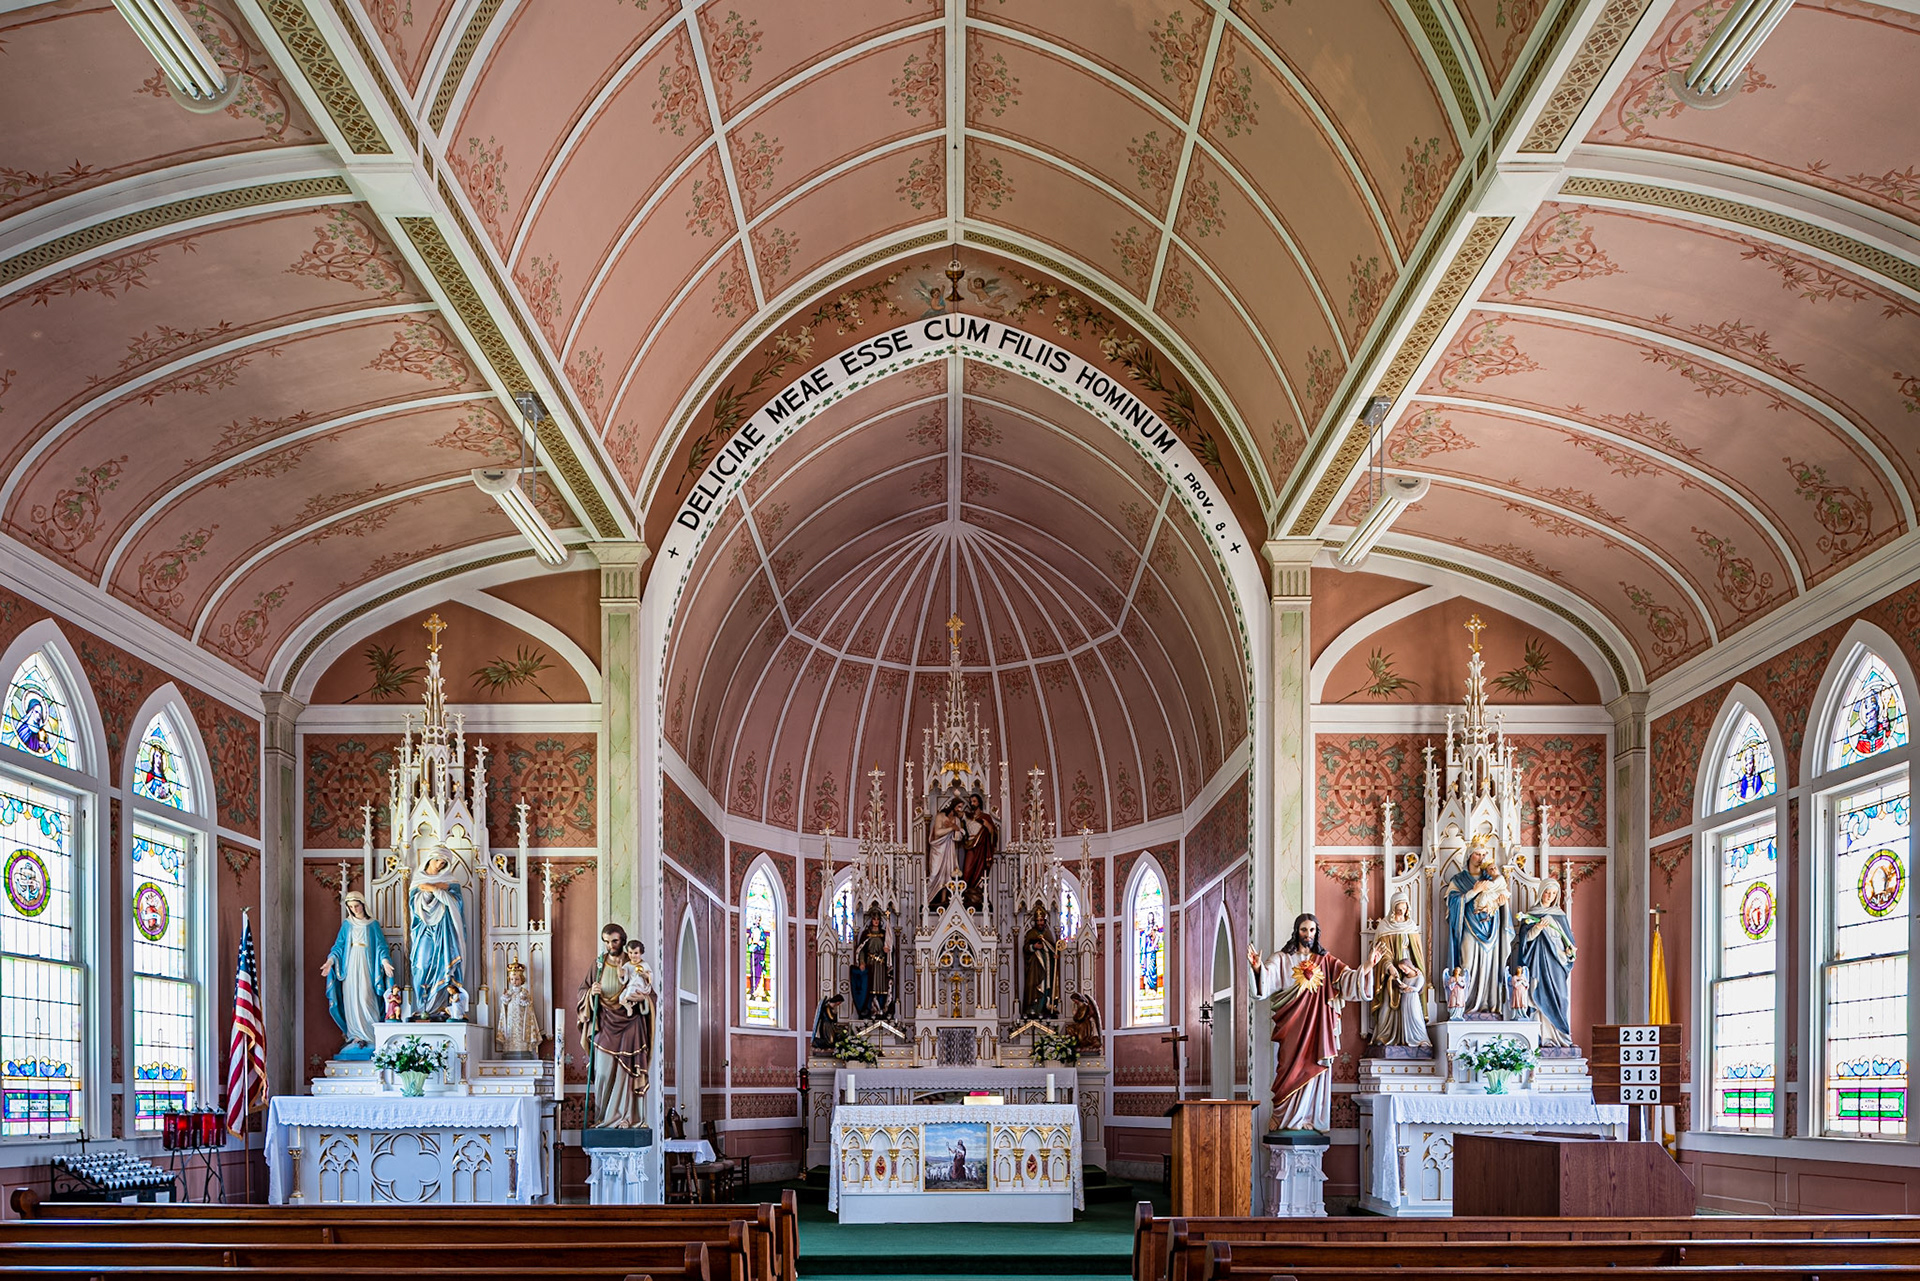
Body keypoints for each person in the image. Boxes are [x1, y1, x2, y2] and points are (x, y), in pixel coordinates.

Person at [1250, 913, 1380, 1131]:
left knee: (1314, 1065)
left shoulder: (1326, 961)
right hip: (1292, 1027)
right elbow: (1267, 977)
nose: (1307, 934)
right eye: (1303, 930)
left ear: (1316, 933)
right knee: (1288, 1069)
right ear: (1296, 931)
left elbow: (1347, 978)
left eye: (1311, 930)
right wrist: (1257, 968)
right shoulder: (1283, 958)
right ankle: (1284, 1118)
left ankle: (1308, 1117)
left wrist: (1367, 965)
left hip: (1318, 1028)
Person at [576, 923, 650, 1128]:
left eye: (614, 941)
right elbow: (582, 991)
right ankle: (603, 1118)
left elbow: (650, 993)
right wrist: (591, 993)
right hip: (605, 1022)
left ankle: (624, 1118)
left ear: (623, 940)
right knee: (602, 1072)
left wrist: (642, 999)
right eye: (606, 942)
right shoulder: (598, 964)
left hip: (629, 1024)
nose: (610, 945)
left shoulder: (635, 964)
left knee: (625, 1073)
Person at [1443, 836, 1512, 1018]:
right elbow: (1452, 903)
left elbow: (1502, 895)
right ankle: (1465, 1006)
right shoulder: (1458, 880)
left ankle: (1489, 1005)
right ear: (1469, 856)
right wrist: (1474, 891)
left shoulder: (1492, 878)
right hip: (1469, 927)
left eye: (1484, 854)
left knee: (1489, 967)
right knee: (1467, 963)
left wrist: (1502, 902)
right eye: (1477, 854)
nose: (1481, 858)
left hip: (1491, 929)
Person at [321, 891, 394, 1049]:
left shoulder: (372, 924)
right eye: (351, 907)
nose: (354, 909)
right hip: (350, 964)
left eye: (357, 906)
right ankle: (355, 1035)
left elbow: (381, 947)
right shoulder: (347, 924)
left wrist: (385, 962)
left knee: (366, 996)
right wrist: (330, 961)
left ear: (363, 905)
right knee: (352, 998)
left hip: (367, 965)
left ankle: (371, 1036)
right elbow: (339, 947)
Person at [1510, 877, 1576, 1046]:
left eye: (1553, 893)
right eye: (1547, 892)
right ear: (1541, 893)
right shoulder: (1531, 915)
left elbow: (1568, 941)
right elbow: (1524, 942)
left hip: (1557, 964)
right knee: (1538, 996)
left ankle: (1561, 1037)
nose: (1549, 896)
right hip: (1538, 962)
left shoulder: (1560, 916)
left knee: (1561, 997)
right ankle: (1541, 1037)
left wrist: (1569, 951)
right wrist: (1537, 929)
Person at [408, 848, 466, 1019]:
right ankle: (422, 1006)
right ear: (429, 859)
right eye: (437, 861)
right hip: (423, 930)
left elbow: (457, 904)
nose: (440, 865)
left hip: (444, 930)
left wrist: (435, 890)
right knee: (422, 964)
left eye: (443, 863)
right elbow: (413, 905)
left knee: (443, 965)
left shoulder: (450, 881)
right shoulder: (417, 880)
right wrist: (434, 891)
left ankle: (440, 1006)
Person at [1368, 894, 1428, 1049]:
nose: (1401, 912)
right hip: (1392, 972)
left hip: (1409, 971)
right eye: (1398, 909)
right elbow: (1381, 953)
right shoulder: (1384, 926)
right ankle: (1384, 1035)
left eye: (1404, 908)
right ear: (1393, 908)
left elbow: (1418, 954)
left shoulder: (1411, 926)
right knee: (1389, 1003)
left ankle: (1419, 1037)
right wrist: (1389, 966)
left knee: (1412, 1006)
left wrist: (1413, 970)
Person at [849, 904, 892, 1018]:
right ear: (871, 920)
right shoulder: (866, 933)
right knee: (870, 987)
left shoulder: (884, 934)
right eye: (874, 919)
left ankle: (882, 1010)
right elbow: (861, 949)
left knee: (882, 987)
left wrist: (888, 950)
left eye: (878, 919)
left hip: (881, 965)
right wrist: (862, 962)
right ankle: (870, 1010)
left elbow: (891, 950)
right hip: (870, 965)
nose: (876, 921)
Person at [959, 791, 999, 911]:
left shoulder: (985, 817)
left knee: (980, 871)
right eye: (971, 801)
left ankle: (976, 893)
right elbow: (957, 814)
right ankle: (965, 893)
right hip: (970, 847)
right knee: (967, 870)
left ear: (979, 803)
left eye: (974, 801)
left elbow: (993, 834)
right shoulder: (968, 816)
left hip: (982, 848)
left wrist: (988, 826)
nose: (972, 803)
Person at [1021, 903, 1059, 1020]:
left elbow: (1053, 947)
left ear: (1045, 921)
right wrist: (1034, 947)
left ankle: (1047, 1008)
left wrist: (1055, 955)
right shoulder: (1031, 933)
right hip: (1035, 966)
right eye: (1037, 921)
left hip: (1048, 965)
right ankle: (1034, 1008)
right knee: (1034, 986)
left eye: (1041, 920)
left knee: (1047, 987)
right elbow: (1025, 948)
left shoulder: (1048, 933)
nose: (1040, 923)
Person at [495, 959, 540, 1057]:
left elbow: (528, 1006)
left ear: (521, 979)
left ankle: (523, 1050)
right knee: (510, 1033)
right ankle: (509, 1050)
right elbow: (504, 1005)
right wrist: (505, 997)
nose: (514, 982)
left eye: (516, 979)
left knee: (521, 1034)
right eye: (512, 979)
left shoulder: (524, 992)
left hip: (521, 1020)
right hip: (510, 1020)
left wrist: (524, 999)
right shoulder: (509, 993)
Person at [926, 797, 963, 911]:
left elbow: (958, 838)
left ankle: (944, 900)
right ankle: (928, 900)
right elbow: (937, 833)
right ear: (953, 806)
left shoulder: (956, 820)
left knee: (948, 874)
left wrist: (957, 830)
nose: (960, 809)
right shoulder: (940, 816)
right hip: (938, 849)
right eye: (959, 807)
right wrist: (951, 828)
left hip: (949, 849)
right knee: (934, 874)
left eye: (961, 807)